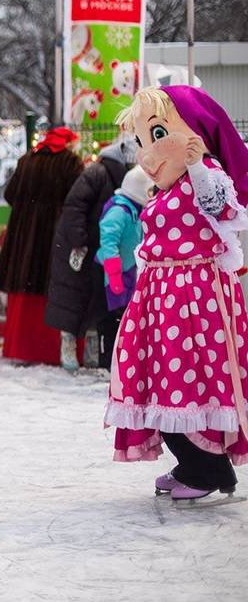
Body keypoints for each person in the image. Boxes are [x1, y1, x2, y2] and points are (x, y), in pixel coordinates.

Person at [107, 86, 248, 504]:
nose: (145, 154)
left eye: (154, 135)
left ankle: (208, 468)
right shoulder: (167, 189)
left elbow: (224, 211)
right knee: (161, 386)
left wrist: (199, 166)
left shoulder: (207, 177)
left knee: (186, 386)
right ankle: (193, 464)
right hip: (164, 299)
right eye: (139, 140)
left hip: (194, 304)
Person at [0, 127, 85, 366]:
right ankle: (49, 350)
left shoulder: (27, 160)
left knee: (24, 285)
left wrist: (28, 208)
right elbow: (78, 199)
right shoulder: (70, 162)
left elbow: (10, 194)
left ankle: (20, 347)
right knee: (50, 285)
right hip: (53, 234)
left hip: (23, 235)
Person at [45, 137, 133, 370]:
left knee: (95, 301)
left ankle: (91, 352)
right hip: (80, 247)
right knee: (73, 299)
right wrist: (79, 242)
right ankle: (69, 349)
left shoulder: (116, 177)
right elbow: (75, 207)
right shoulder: (97, 173)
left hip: (98, 248)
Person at [93, 165, 152, 365]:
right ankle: (106, 360)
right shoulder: (120, 210)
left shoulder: (135, 209)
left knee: (122, 318)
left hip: (127, 271)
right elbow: (108, 241)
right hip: (110, 274)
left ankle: (120, 361)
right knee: (109, 320)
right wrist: (114, 274)